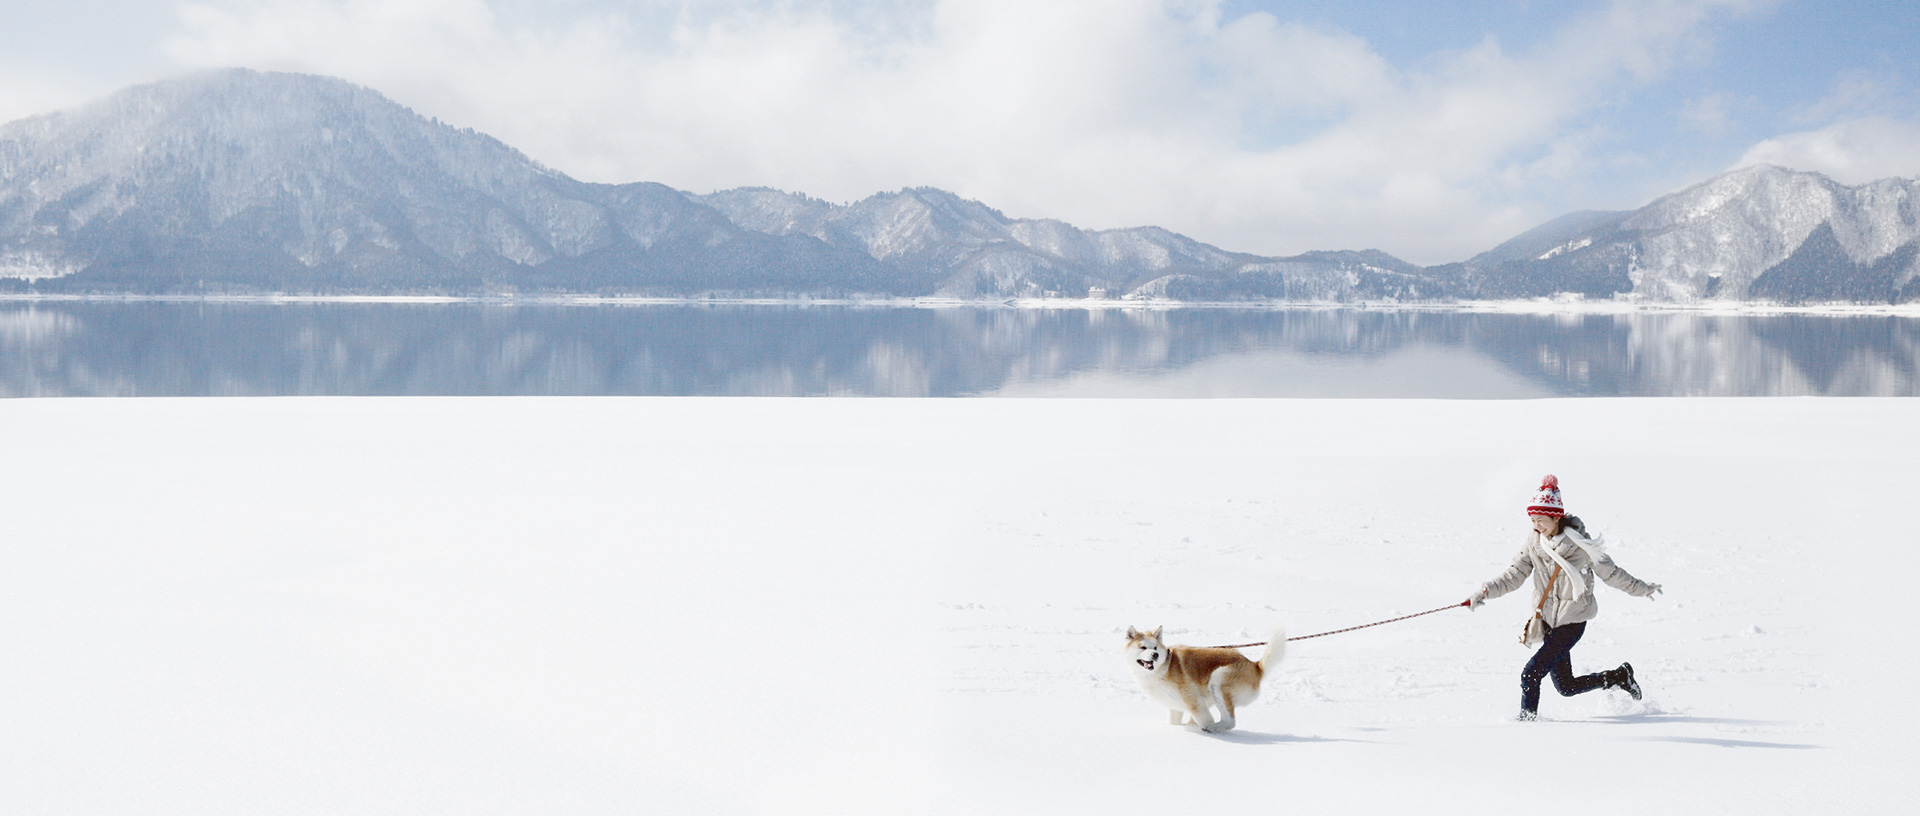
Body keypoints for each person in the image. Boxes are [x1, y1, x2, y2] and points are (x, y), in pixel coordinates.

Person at [1467, 475, 1663, 721]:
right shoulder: (1534, 541)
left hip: (1572, 621)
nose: (1537, 526)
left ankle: (1526, 725)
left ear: (1556, 517)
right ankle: (1617, 677)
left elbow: (1611, 573)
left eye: (1541, 520)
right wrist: (1485, 591)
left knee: (1531, 674)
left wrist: (1642, 588)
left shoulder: (1582, 546)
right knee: (1566, 687)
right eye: (1533, 520)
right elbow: (1515, 574)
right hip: (1548, 621)